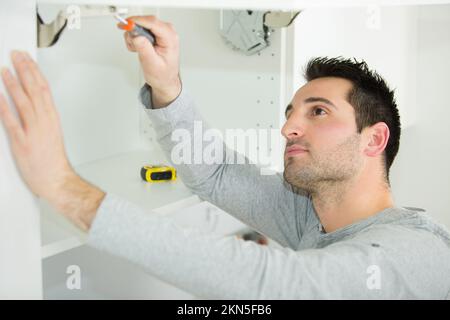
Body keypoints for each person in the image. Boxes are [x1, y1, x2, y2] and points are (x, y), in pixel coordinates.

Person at [1, 15, 449, 299]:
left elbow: (272, 284)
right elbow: (215, 172)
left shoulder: (418, 252)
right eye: (291, 112)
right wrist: (166, 83)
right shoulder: (310, 214)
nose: (289, 127)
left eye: (318, 112)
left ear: (374, 140)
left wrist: (63, 187)